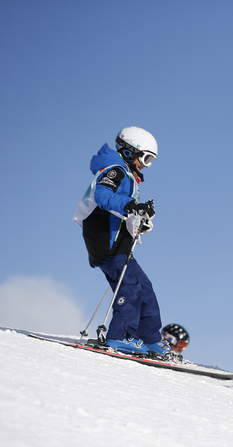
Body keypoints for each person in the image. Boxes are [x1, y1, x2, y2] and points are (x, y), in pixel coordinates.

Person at [73, 127, 170, 357]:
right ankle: (120, 336)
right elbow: (103, 196)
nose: (147, 165)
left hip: (119, 244)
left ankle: (151, 340)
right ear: (129, 152)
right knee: (130, 288)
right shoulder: (115, 171)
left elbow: (123, 210)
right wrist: (131, 206)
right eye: (146, 158)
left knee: (145, 288)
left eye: (151, 160)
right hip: (104, 240)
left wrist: (139, 221)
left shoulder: (129, 178)